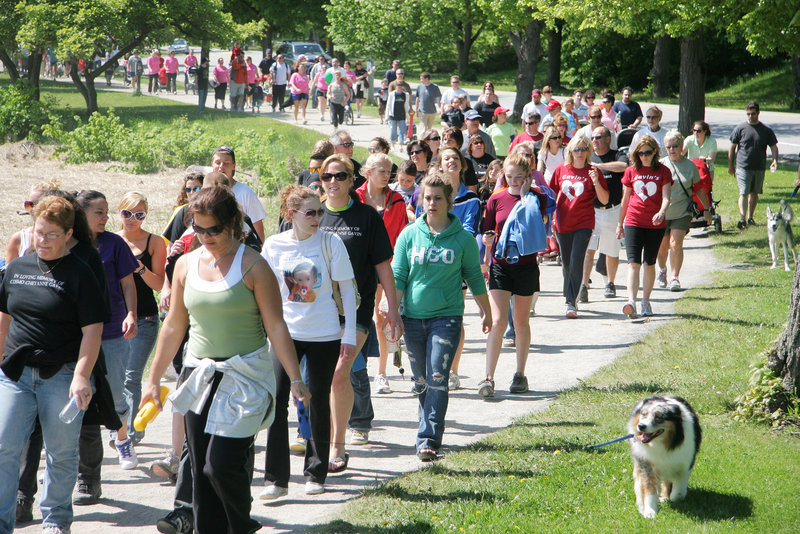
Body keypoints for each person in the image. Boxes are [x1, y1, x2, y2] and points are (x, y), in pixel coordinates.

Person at [140, 186, 309, 534]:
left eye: (212, 229)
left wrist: (295, 378)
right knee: (200, 469)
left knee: (220, 465)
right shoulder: (185, 265)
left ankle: (241, 525)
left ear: (233, 223)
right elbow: (173, 326)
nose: (205, 237)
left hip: (243, 376)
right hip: (198, 374)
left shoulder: (254, 267)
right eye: (198, 229)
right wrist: (153, 379)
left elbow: (276, 327)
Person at [0, 196, 106, 534]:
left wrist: (81, 376)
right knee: (4, 445)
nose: (42, 241)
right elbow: (4, 318)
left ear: (68, 234)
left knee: (61, 452)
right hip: (15, 374)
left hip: (60, 375)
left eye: (51, 235)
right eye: (38, 232)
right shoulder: (17, 268)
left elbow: (93, 331)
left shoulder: (81, 273)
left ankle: (56, 520)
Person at [260, 185, 356, 499]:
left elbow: (346, 291)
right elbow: (265, 293)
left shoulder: (330, 242)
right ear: (291, 215)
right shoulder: (274, 246)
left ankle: (316, 473)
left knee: (316, 401)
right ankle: (275, 479)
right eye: (310, 212)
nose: (317, 218)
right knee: (276, 400)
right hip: (285, 334)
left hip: (324, 333)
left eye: (320, 212)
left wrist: (350, 335)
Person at [393, 173, 492, 461]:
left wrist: (485, 310)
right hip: (412, 317)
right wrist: (393, 314)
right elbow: (399, 275)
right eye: (427, 197)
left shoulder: (462, 239)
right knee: (422, 380)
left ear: (450, 201)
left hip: (447, 318)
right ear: (421, 200)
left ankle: (428, 439)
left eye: (438, 198)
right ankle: (429, 427)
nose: (432, 203)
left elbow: (474, 275)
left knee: (437, 375)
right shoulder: (409, 235)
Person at [317, 155, 403, 471]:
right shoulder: (312, 215)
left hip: (357, 309)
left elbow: (383, 265)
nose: (333, 182)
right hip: (317, 311)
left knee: (341, 372)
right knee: (320, 379)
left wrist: (393, 309)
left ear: (352, 180)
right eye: (327, 176)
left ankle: (337, 448)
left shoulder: (366, 216)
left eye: (340, 176)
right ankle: (318, 438)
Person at [73, 191, 139, 506]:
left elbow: (128, 282)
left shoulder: (115, 243)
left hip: (112, 331)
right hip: (77, 336)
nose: (105, 218)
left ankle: (122, 437)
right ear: (80, 213)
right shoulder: (70, 243)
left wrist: (130, 314)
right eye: (98, 212)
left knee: (115, 393)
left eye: (106, 212)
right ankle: (73, 466)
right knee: (79, 400)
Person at [479, 154, 550, 397]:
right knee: (498, 321)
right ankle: (488, 378)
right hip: (500, 264)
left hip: (526, 265)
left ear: (528, 176)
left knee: (520, 322)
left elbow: (537, 218)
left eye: (519, 177)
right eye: (509, 177)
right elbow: (488, 228)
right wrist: (487, 240)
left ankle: (520, 374)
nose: (514, 181)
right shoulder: (496, 198)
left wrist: (526, 194)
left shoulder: (536, 197)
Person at [116, 192, 166, 444]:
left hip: (145, 317)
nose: (132, 219)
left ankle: (131, 433)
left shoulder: (154, 242)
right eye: (127, 213)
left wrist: (140, 268)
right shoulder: (111, 241)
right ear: (119, 212)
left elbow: (159, 284)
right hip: (114, 319)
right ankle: (122, 426)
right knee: (115, 375)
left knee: (131, 376)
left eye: (139, 215)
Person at [356, 153, 407, 395]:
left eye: (389, 172)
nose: (387, 176)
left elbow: (398, 236)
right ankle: (357, 369)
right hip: (357, 266)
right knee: (357, 318)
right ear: (368, 172)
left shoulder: (396, 200)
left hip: (385, 263)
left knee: (381, 316)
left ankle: (381, 372)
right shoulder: (354, 197)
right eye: (382, 171)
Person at [549, 135, 609, 318]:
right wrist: (551, 218)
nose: (580, 153)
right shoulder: (561, 169)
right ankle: (570, 293)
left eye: (584, 149)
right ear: (570, 151)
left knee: (576, 260)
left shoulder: (593, 171)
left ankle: (570, 302)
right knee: (567, 264)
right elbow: (551, 195)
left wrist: (596, 181)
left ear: (588, 151)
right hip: (563, 222)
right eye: (577, 149)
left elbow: (604, 199)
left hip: (584, 222)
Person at [616, 136, 673, 318]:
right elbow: (625, 200)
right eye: (640, 153)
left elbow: (666, 197)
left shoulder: (663, 171)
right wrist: (620, 224)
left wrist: (662, 211)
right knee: (633, 263)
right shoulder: (631, 171)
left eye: (647, 152)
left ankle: (645, 301)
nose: (644, 156)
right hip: (634, 221)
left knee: (649, 263)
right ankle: (631, 301)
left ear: (655, 152)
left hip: (655, 224)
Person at [657, 130, 712, 292]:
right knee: (662, 246)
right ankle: (662, 271)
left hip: (682, 212)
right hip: (662, 213)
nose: (672, 149)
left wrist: (706, 209)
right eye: (668, 147)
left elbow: (699, 188)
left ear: (682, 147)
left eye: (675, 146)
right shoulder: (660, 165)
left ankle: (675, 277)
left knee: (676, 244)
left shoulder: (690, 166)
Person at [579, 126, 628, 301]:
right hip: (591, 210)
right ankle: (583, 286)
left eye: (598, 137)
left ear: (608, 138)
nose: (595, 140)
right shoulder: (587, 156)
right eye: (592, 137)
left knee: (611, 250)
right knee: (588, 250)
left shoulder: (616, 154)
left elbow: (623, 166)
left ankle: (610, 283)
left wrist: (599, 166)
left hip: (612, 209)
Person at [728, 101, 779, 229]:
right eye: (748, 114)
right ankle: (742, 219)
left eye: (753, 114)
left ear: (758, 113)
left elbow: (773, 147)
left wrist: (775, 160)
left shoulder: (766, 130)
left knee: (754, 193)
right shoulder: (740, 128)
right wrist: (731, 165)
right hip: (743, 166)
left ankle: (750, 217)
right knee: (743, 192)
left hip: (759, 166)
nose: (750, 116)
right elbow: (732, 146)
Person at [210, 145, 267, 243]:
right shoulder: (205, 193)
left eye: (226, 163)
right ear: (212, 164)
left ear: (234, 166)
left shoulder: (246, 193)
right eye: (218, 162)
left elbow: (259, 235)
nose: (221, 166)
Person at [386, 81, 410, 151]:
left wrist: (407, 118)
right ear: (396, 86)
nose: (399, 87)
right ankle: (392, 144)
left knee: (401, 131)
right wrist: (387, 116)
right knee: (393, 130)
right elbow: (388, 105)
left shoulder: (405, 95)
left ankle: (401, 145)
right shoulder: (392, 94)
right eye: (398, 86)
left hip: (402, 115)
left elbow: (406, 106)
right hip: (393, 115)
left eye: (401, 86)